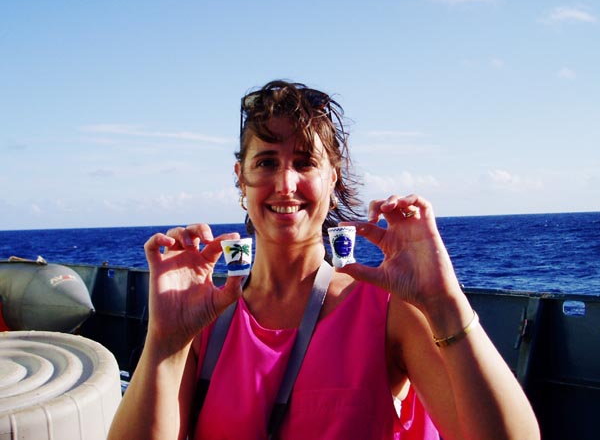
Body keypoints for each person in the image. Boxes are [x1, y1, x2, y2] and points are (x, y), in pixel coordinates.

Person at [107, 80, 540, 440]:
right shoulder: (206, 318)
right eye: (266, 162)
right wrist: (164, 345)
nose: (285, 183)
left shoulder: (387, 310)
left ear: (331, 176)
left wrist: (445, 304)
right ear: (241, 178)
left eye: (304, 161)